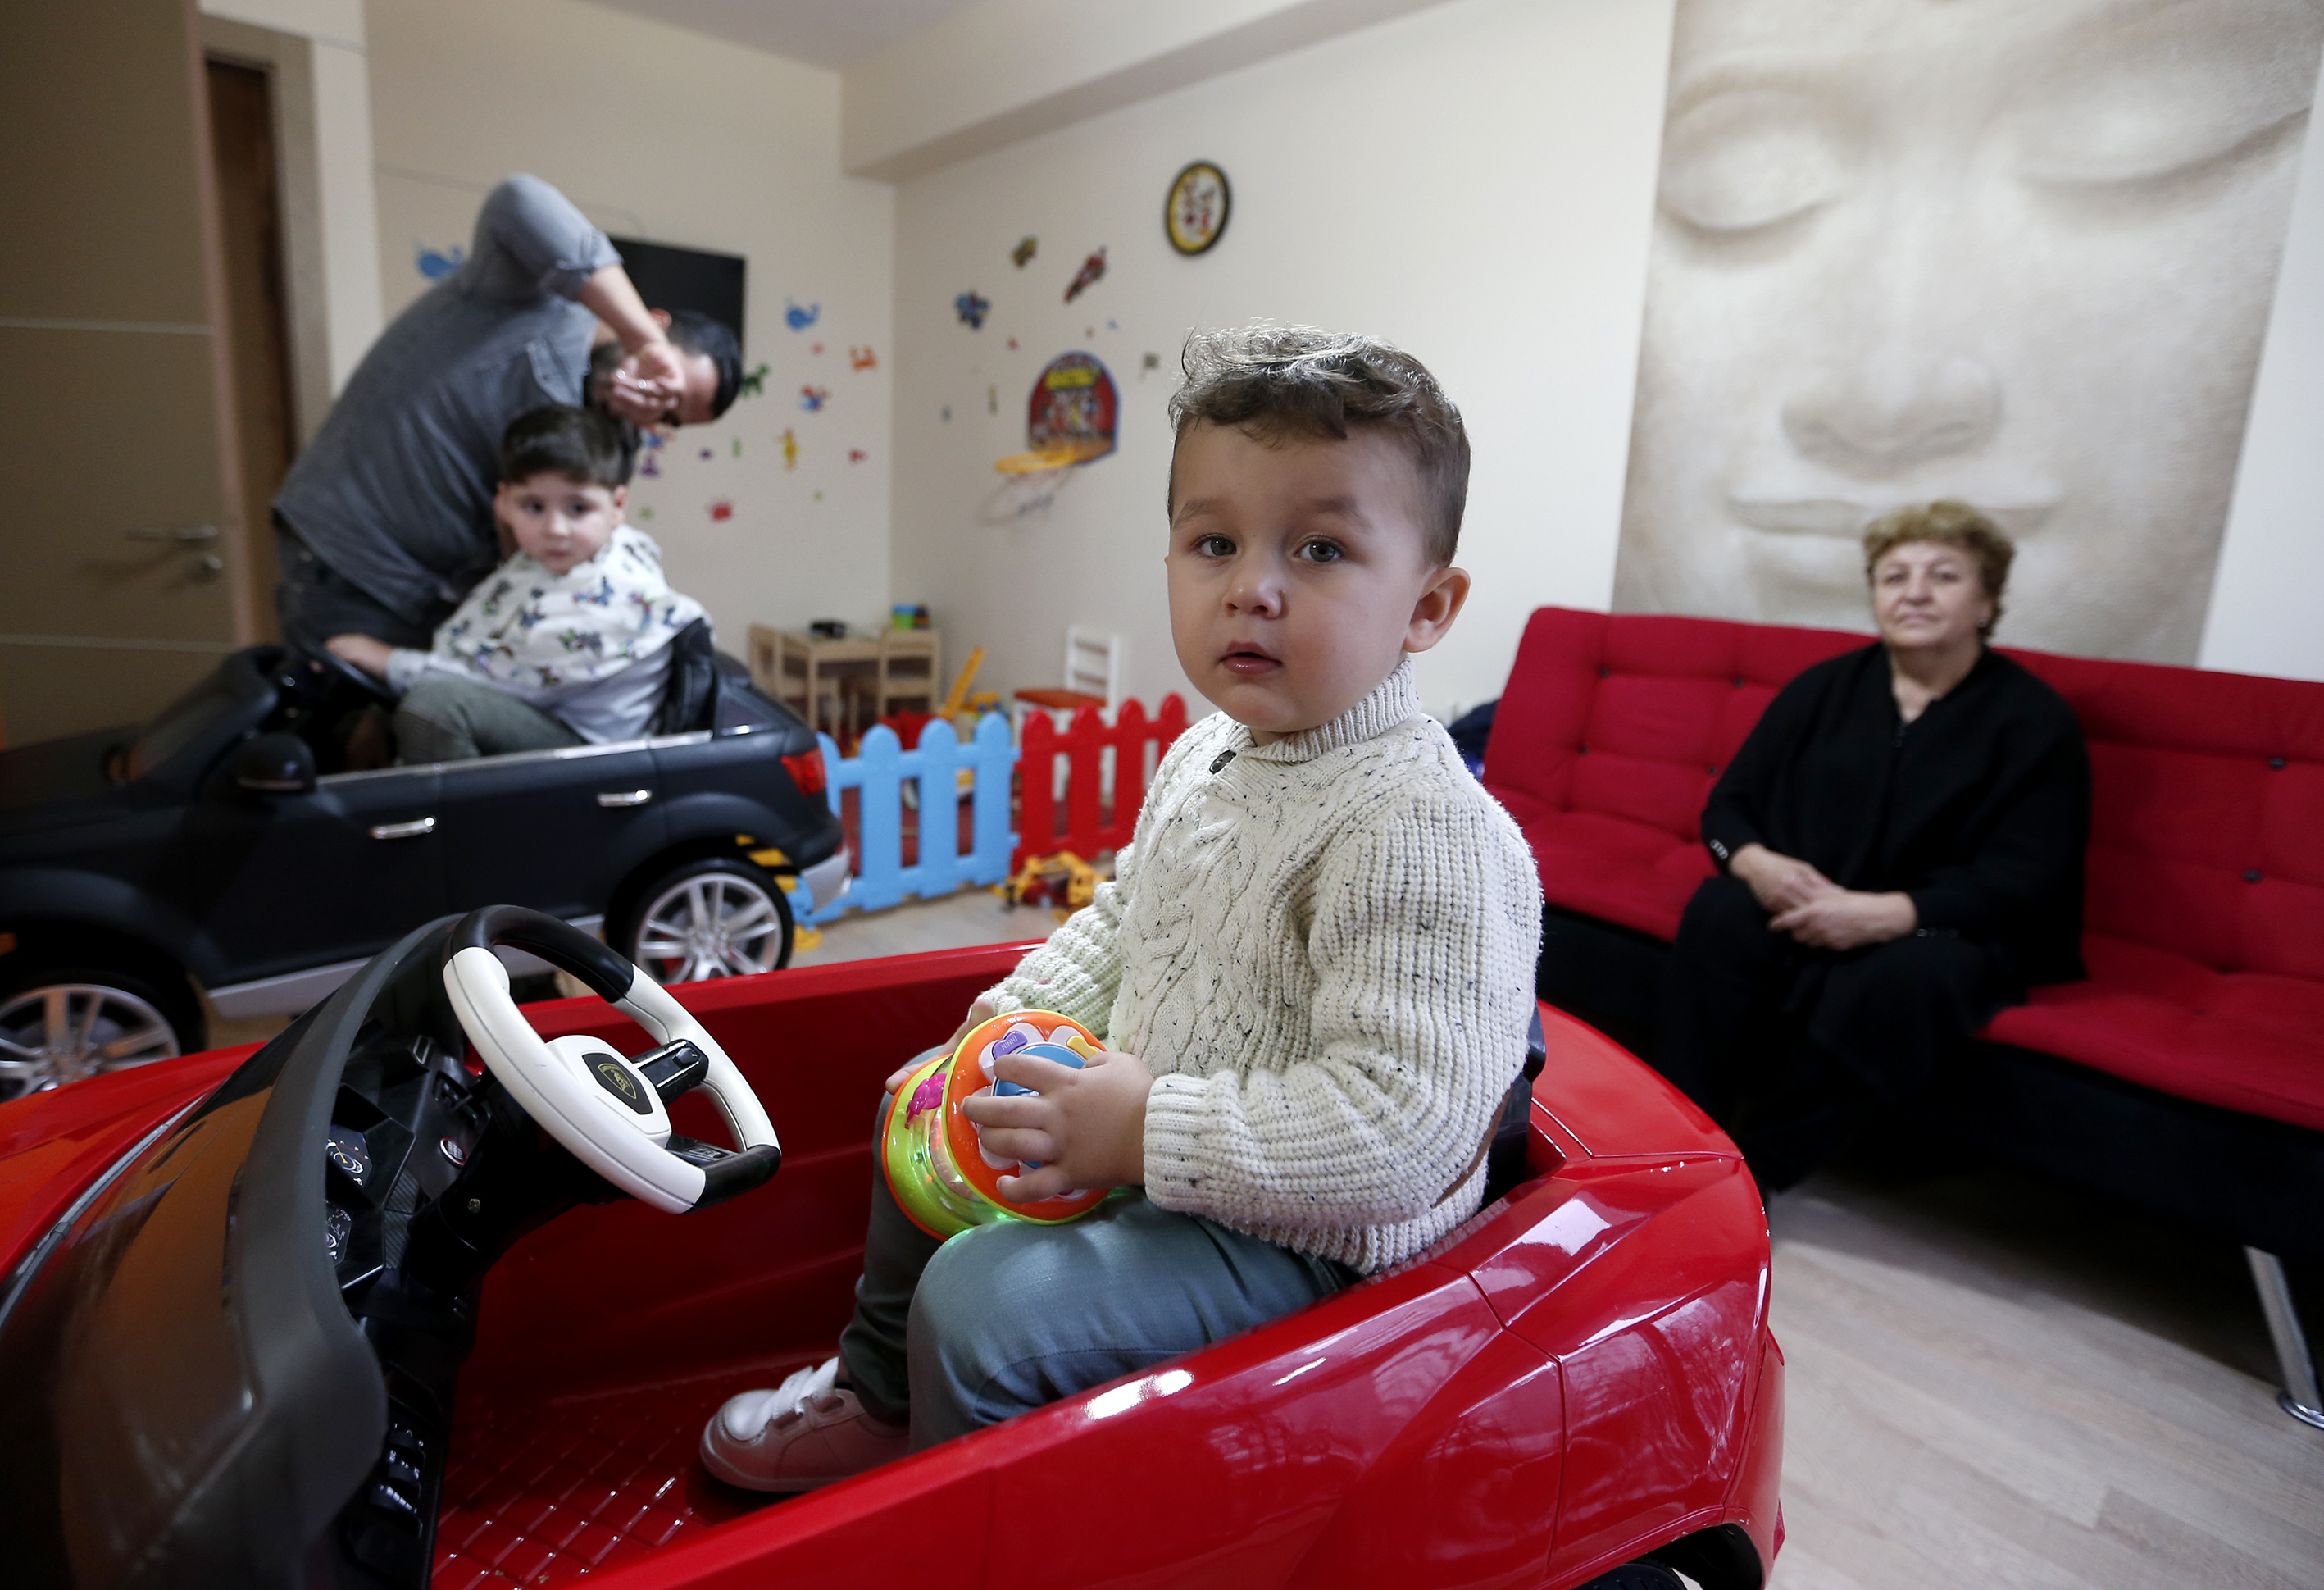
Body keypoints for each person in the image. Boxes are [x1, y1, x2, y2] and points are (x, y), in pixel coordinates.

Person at [697, 326, 1543, 1488]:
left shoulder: (1422, 828)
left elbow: (1406, 1129)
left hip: (1311, 1238)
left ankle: (955, 1512)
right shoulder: (1204, 752)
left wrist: (1146, 1128)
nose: (1251, 586)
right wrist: (994, 1032)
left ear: (1427, 607)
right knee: (920, 1115)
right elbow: (1122, 925)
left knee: (984, 1309)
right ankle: (885, 1397)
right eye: (1213, 542)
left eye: (1320, 548)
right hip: (1154, 1137)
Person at [1612, 0, 2324, 664]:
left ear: (1987, 601)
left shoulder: (2029, 725)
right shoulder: (1813, 699)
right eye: (1745, 182)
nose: (1888, 399)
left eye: (2131, 133)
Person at [1653, 501, 2090, 1193]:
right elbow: (1728, 807)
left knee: (1901, 981)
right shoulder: (1822, 688)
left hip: (1940, 925)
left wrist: (1890, 913)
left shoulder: (2034, 720)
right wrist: (1755, 863)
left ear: (1985, 602)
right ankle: (1674, 1137)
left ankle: (1755, 1173)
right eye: (1894, 576)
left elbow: (2030, 879)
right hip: (1804, 900)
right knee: (1720, 909)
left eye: (1942, 575)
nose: (1913, 592)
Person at [274, 173, 742, 654]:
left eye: (671, 417)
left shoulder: (613, 448)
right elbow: (519, 200)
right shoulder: (528, 300)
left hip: (447, 607)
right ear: (655, 323)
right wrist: (643, 341)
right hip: (351, 562)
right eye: (666, 382)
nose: (653, 406)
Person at [325, 406, 703, 763]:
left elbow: (496, 682)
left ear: (617, 505)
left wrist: (386, 661)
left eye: (578, 508)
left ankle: (467, 815)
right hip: (551, 713)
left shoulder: (610, 592)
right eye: (534, 507)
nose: (555, 529)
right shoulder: (564, 558)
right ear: (504, 503)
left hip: (593, 754)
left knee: (434, 708)